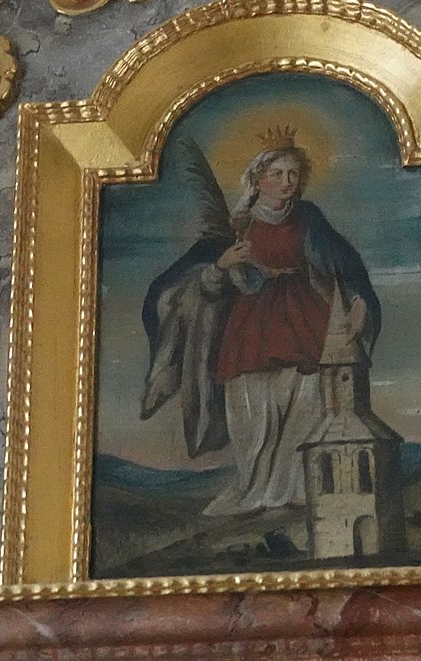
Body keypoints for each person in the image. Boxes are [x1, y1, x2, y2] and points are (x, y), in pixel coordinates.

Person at [140, 128, 380, 515]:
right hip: (250, 328)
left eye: (293, 174)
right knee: (253, 415)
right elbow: (196, 284)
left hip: (305, 320)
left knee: (306, 406)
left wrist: (359, 304)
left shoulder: (308, 219)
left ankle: (293, 492)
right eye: (277, 174)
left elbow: (347, 266)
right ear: (257, 179)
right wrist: (221, 265)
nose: (287, 182)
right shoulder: (236, 224)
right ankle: (255, 490)